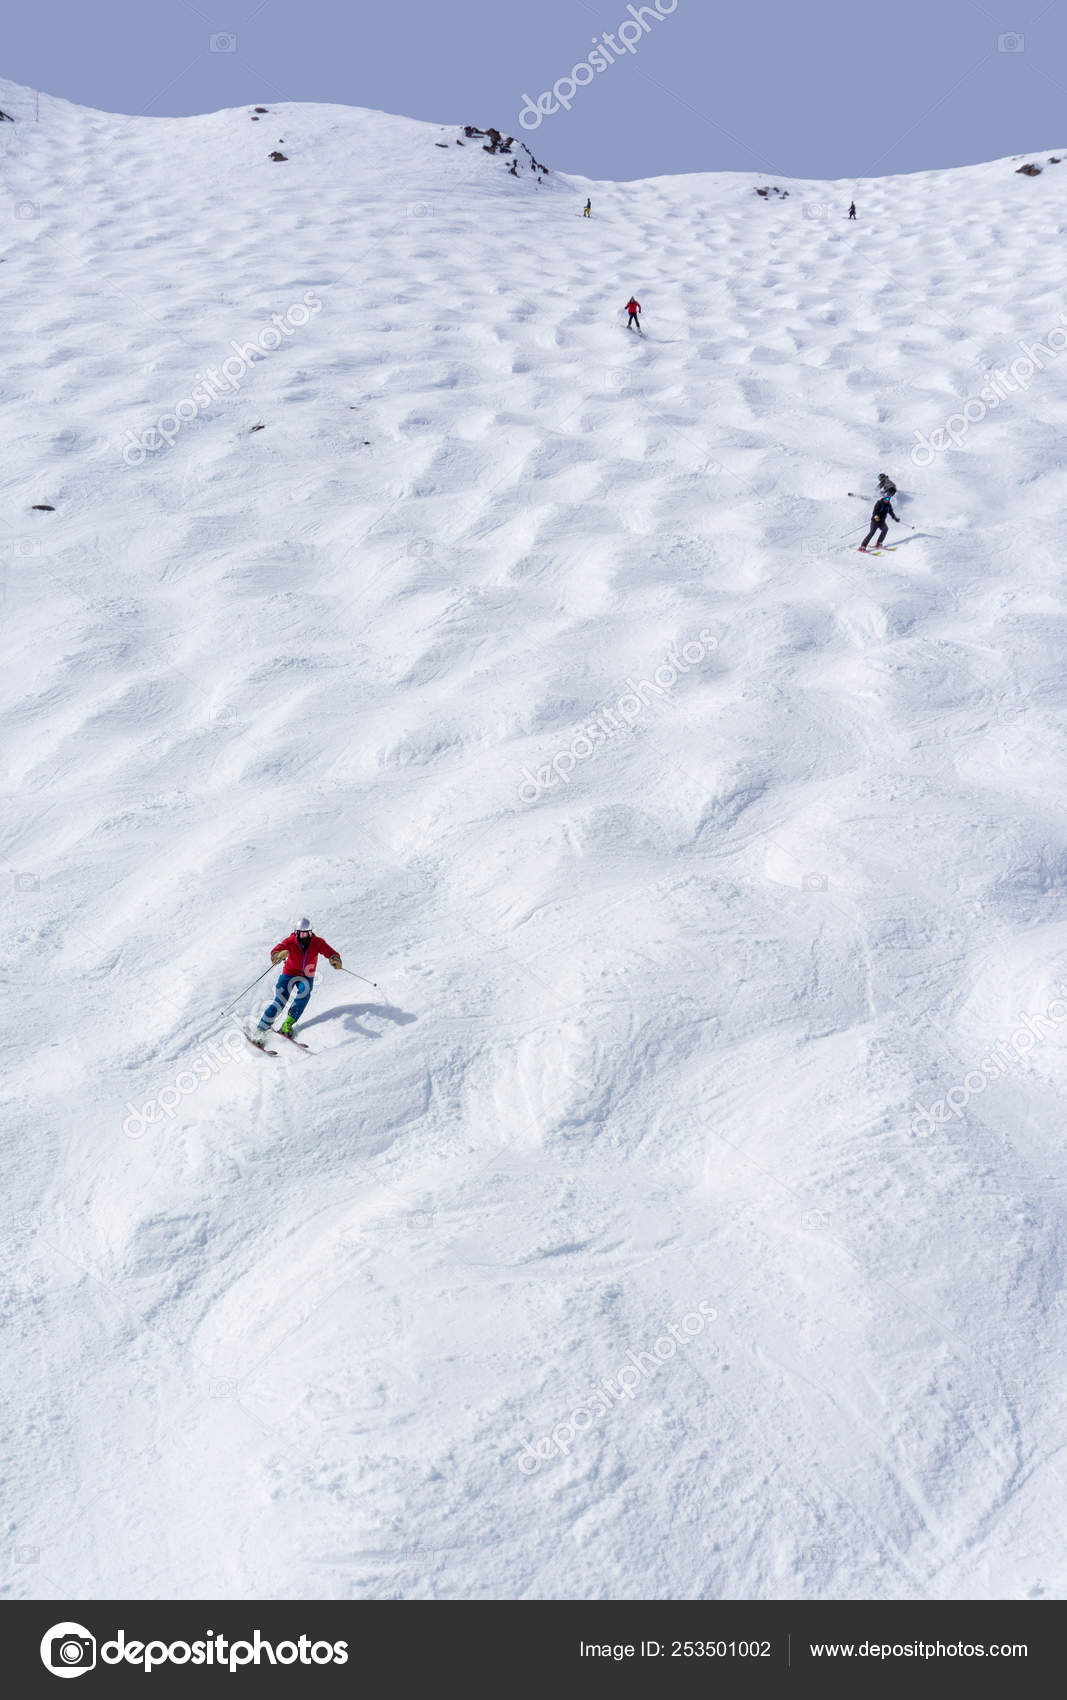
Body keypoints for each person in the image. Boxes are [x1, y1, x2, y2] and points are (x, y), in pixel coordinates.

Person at [250, 918, 342, 1043]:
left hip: (306, 976)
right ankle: (260, 1030)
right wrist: (278, 955)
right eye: (302, 933)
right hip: (289, 974)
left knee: (304, 994)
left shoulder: (317, 942)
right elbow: (276, 951)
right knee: (280, 1001)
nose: (305, 936)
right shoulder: (290, 941)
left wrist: (334, 958)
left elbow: (330, 952)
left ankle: (287, 1024)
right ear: (296, 932)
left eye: (307, 933)